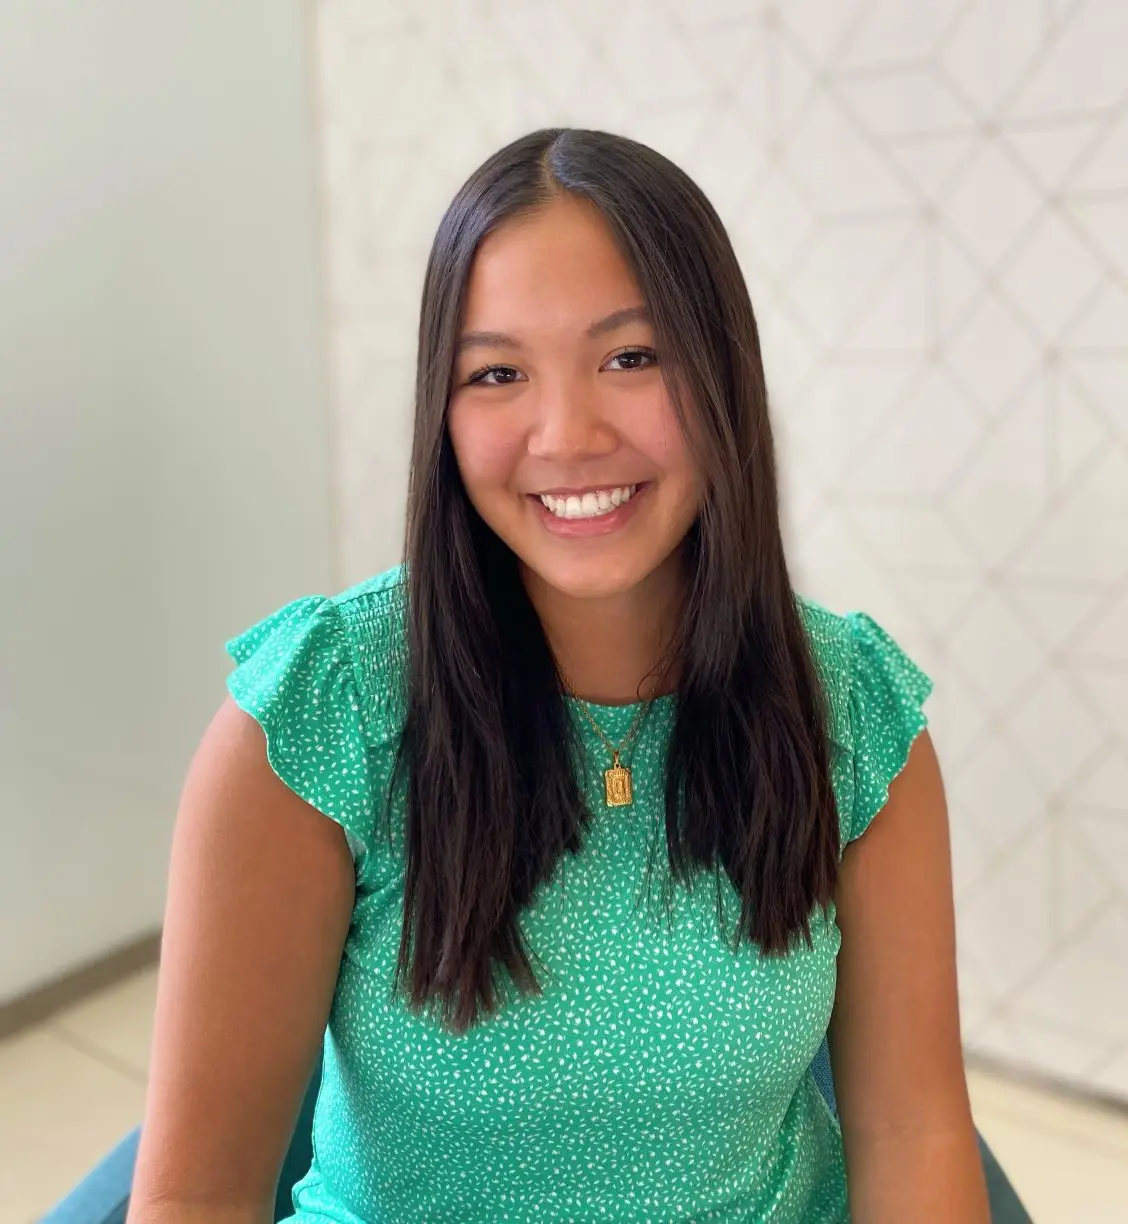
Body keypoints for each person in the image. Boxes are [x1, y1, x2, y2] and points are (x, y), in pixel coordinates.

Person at [126, 128, 989, 1223]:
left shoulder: (855, 712)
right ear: (443, 414)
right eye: (496, 373)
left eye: (632, 357)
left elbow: (912, 1131)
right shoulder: (320, 714)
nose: (567, 434)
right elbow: (196, 1199)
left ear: (724, 370)